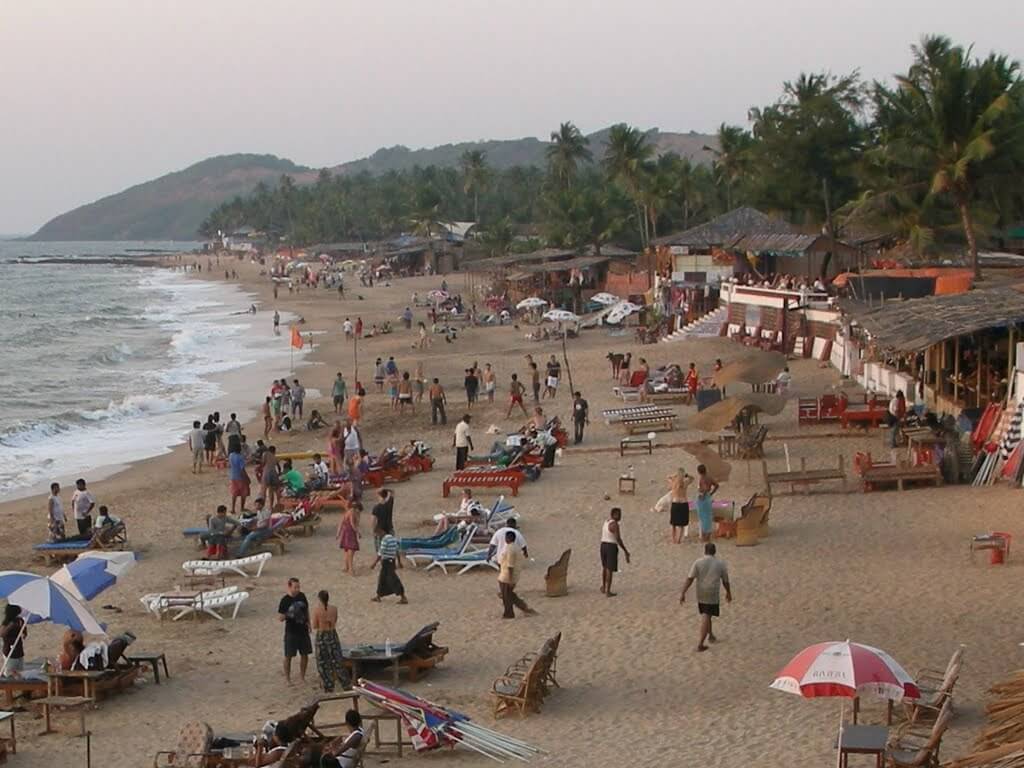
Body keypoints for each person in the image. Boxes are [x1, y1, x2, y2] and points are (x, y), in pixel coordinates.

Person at [680, 542, 732, 652]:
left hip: (701, 592)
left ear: (705, 551)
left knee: (707, 614)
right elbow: (725, 581)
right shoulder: (720, 563)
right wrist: (728, 592)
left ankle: (711, 635)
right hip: (713, 592)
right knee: (706, 615)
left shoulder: (698, 562)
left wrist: (683, 592)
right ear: (715, 551)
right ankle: (700, 644)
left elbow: (690, 578)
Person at [311, 591, 349, 692]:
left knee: (323, 662)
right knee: (337, 660)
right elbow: (335, 621)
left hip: (322, 635)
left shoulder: (317, 610)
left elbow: (315, 625)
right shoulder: (334, 609)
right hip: (332, 634)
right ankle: (345, 684)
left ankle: (328, 685)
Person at [278, 578, 312, 684]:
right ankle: (288, 679)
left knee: (305, 654)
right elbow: (280, 618)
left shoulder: (302, 596)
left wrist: (309, 623)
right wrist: (290, 612)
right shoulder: (285, 600)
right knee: (288, 656)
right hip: (291, 632)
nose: (297, 589)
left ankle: (302, 677)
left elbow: (306, 610)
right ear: (289, 587)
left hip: (303, 631)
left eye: (298, 587)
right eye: (295, 587)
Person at [497, 530, 536, 619]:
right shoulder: (515, 547)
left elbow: (510, 565)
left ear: (507, 538)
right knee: (509, 594)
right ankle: (524, 607)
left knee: (506, 596)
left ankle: (509, 613)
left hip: (507, 576)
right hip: (507, 575)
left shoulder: (510, 549)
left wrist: (510, 579)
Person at [600, 507, 630, 597]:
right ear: (614, 515)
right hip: (611, 547)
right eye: (619, 514)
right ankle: (608, 591)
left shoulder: (606, 522)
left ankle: (604, 587)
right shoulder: (615, 525)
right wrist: (625, 551)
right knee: (610, 569)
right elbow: (618, 539)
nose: (620, 516)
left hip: (603, 545)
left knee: (605, 567)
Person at [370, 531, 407, 604]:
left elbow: (381, 552)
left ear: (382, 531)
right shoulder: (393, 538)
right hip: (391, 561)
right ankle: (378, 596)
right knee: (382, 578)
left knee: (393, 579)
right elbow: (397, 550)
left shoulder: (385, 540)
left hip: (387, 562)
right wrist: (399, 562)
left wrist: (374, 563)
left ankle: (403, 596)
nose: (378, 535)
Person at [668, 468, 693, 544]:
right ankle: (679, 540)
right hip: (683, 503)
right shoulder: (685, 482)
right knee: (682, 524)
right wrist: (687, 475)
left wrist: (674, 475)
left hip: (675, 502)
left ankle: (673, 540)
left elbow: (668, 477)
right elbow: (692, 478)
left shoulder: (673, 482)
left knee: (673, 524)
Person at [695, 464, 719, 543]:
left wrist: (703, 495)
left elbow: (704, 488)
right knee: (708, 517)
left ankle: (704, 537)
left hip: (703, 498)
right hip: (708, 497)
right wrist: (711, 493)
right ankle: (707, 536)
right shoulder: (709, 477)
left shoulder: (702, 478)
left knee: (703, 517)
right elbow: (716, 485)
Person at [1, 605, 26, 676]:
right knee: (10, 672)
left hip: (19, 650)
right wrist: (10, 626)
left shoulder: (20, 620)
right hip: (9, 650)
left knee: (20, 672)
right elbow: (1, 633)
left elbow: (24, 632)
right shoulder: (7, 622)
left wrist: (23, 632)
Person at [337, 502, 360, 575]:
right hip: (350, 533)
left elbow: (341, 523)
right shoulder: (352, 513)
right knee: (351, 551)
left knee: (347, 551)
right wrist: (358, 532)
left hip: (345, 532)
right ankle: (350, 569)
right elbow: (352, 524)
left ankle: (346, 567)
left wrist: (338, 533)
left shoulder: (347, 512)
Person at [229, 440, 250, 513]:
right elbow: (242, 470)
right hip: (240, 477)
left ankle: (233, 508)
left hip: (233, 476)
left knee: (234, 493)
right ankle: (242, 507)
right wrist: (247, 478)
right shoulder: (240, 457)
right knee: (243, 493)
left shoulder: (231, 455)